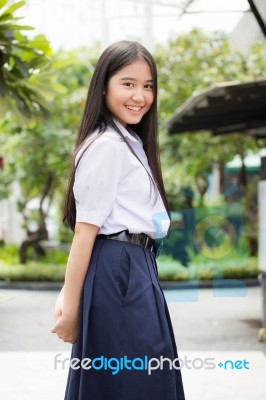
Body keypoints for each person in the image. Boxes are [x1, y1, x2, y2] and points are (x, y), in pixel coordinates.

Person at [51, 40, 186, 400]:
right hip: (120, 267)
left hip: (135, 265)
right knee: (133, 378)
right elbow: (85, 230)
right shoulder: (108, 146)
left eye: (148, 86)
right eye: (128, 84)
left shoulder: (131, 142)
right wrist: (71, 305)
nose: (139, 96)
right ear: (104, 86)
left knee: (141, 375)